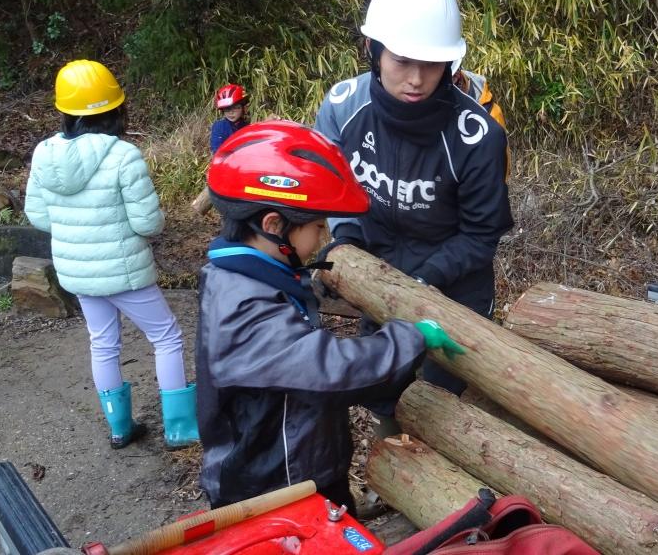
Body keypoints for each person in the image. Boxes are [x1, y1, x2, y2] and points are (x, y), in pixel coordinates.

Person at [196, 120, 464, 509]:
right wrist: (413, 338)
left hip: (297, 466)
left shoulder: (249, 278)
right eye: (318, 225)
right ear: (274, 225)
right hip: (271, 490)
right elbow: (330, 369)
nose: (322, 237)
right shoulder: (242, 308)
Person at [315, 0, 513, 435]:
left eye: (431, 63)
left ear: (452, 62)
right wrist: (345, 250)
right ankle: (391, 476)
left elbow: (482, 234)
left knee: (445, 398)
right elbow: (335, 197)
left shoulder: (478, 136)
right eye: (402, 60)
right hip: (378, 269)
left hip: (455, 282)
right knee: (385, 386)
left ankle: (446, 488)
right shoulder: (343, 110)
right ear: (373, 50)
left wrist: (423, 281)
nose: (416, 79)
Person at [24, 60, 200, 449]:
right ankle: (181, 428)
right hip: (124, 271)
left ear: (65, 110)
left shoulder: (43, 153)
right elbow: (148, 223)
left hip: (79, 275)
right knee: (166, 337)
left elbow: (37, 215)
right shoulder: (123, 154)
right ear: (115, 108)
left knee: (103, 343)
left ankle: (120, 428)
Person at [209, 83, 250, 153]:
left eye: (235, 108)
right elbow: (216, 150)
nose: (231, 112)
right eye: (227, 109)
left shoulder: (246, 126)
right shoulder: (219, 127)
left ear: (244, 108)